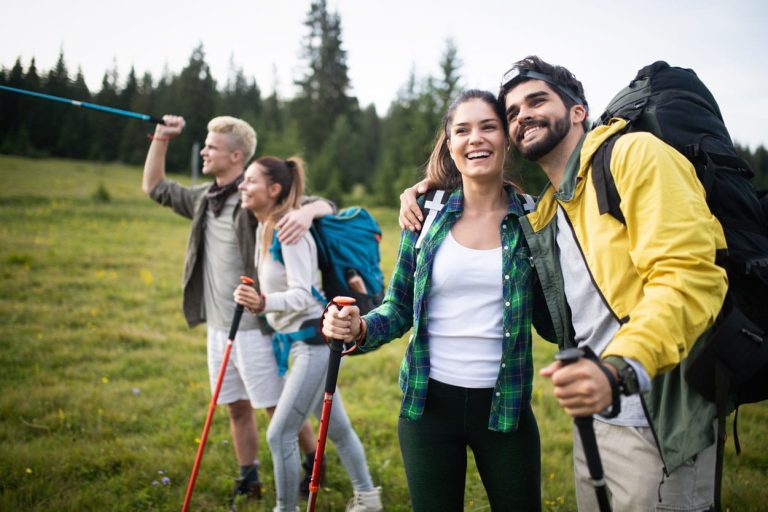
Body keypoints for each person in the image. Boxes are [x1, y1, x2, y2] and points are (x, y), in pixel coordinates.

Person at [400, 56, 729, 511]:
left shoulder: (635, 156)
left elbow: (689, 278)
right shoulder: (550, 210)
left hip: (657, 409)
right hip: (593, 415)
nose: (522, 117)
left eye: (537, 101)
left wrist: (619, 367)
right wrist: (431, 189)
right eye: (512, 112)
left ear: (578, 110)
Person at [324, 89, 554, 512]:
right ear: (450, 145)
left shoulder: (535, 218)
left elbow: (554, 321)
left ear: (506, 137)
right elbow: (397, 308)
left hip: (506, 408)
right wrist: (356, 328)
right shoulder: (426, 213)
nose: (476, 139)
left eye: (488, 127)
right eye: (462, 130)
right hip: (427, 406)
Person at [142, 115, 331, 502]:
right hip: (218, 325)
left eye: (211, 146)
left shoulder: (253, 199)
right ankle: (249, 477)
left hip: (255, 327)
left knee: (275, 407)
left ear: (236, 155)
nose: (205, 151)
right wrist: (162, 137)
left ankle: (314, 461)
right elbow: (155, 187)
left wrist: (306, 213)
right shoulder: (202, 198)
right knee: (234, 406)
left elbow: (325, 203)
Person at [233, 156, 383, 512]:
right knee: (339, 429)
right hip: (300, 343)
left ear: (273, 190)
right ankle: (368, 498)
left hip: (313, 344)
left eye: (250, 180)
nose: (242, 185)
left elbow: (303, 293)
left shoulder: (290, 233)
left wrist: (264, 301)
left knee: (280, 434)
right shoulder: (263, 226)